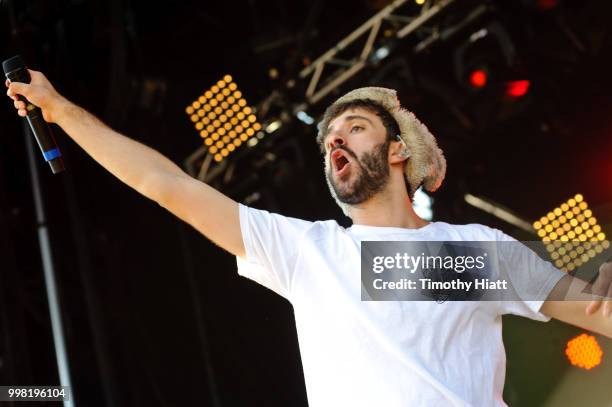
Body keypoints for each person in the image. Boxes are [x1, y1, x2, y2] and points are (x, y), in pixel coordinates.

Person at [5, 71, 612, 406]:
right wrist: (60, 109)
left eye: (354, 128)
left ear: (398, 150)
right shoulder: (307, 251)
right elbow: (165, 184)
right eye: (328, 143)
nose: (336, 144)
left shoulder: (473, 252)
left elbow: (594, 310)